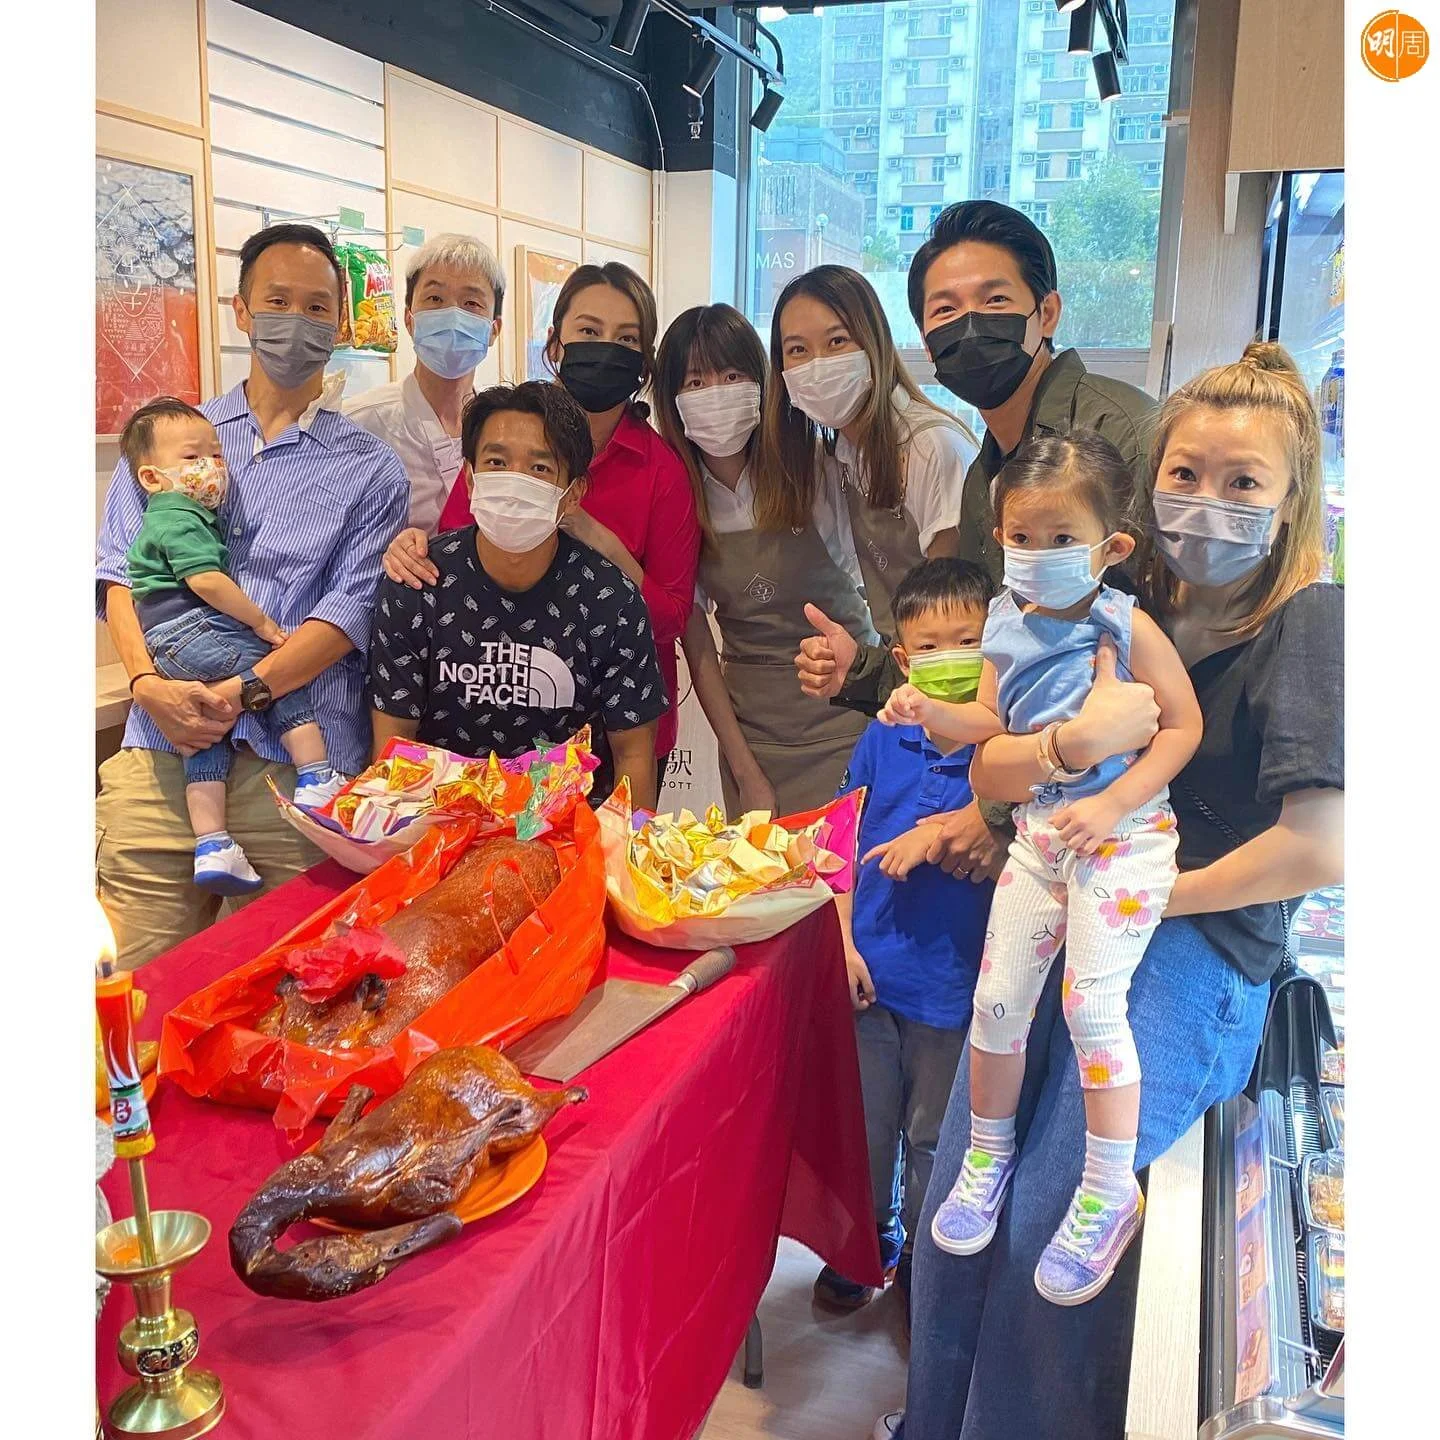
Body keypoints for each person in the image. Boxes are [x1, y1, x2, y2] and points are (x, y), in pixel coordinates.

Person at [874, 343, 1344, 1440]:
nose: (1208, 501)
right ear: (1147, 490)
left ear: (1289, 500)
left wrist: (1142, 896)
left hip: (1197, 937)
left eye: (1243, 482)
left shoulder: (1308, 626)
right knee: (967, 1177)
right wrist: (1064, 750)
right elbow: (993, 769)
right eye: (1186, 474)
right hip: (1072, 881)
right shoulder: (1108, 601)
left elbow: (1319, 849)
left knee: (1052, 1210)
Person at [879, 433, 1202, 1306]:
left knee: (1091, 1006)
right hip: (1038, 834)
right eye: (1022, 537)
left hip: (1124, 838)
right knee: (995, 1002)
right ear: (998, 536)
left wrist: (1113, 801)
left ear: (1112, 546)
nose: (1038, 553)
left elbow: (1182, 727)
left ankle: (1108, 1187)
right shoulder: (1001, 621)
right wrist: (926, 709)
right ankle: (986, 1153)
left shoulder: (1124, 624)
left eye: (1062, 538)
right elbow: (988, 726)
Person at [96, 223, 409, 970]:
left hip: (297, 778)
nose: (296, 321)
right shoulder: (168, 440)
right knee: (126, 992)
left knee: (286, 997)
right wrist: (146, 687)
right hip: (162, 750)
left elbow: (346, 615)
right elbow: (119, 581)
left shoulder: (370, 468)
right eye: (277, 300)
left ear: (340, 324)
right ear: (241, 310)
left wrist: (244, 691)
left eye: (317, 307)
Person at [797, 200, 1159, 725]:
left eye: (994, 300)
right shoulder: (983, 479)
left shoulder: (1118, 433)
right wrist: (859, 671)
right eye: (945, 311)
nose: (969, 326)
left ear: (1047, 313)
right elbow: (978, 653)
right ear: (927, 343)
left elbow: (1161, 639)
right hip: (1027, 757)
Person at [382, 262, 700, 796]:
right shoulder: (507, 434)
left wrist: (602, 544)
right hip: (481, 713)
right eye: (589, 331)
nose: (606, 349)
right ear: (555, 343)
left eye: (626, 338)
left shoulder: (661, 471)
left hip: (617, 727)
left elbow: (670, 617)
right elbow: (455, 561)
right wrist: (411, 548)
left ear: (643, 359)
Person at [817, 557, 996, 1316]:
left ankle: (926, 1266)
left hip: (953, 992)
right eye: (930, 646)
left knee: (933, 1139)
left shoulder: (1004, 754)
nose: (949, 657)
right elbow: (836, 841)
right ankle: (869, 1242)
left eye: (969, 642)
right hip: (870, 976)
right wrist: (843, 943)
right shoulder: (883, 738)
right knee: (865, 1127)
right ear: (901, 658)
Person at [368, 381, 667, 810]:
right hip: (440, 824)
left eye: (539, 468)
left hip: (570, 829)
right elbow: (394, 746)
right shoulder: (418, 585)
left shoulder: (611, 601)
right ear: (470, 478)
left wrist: (626, 845)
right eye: (497, 462)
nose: (514, 481)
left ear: (573, 495)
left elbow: (633, 754)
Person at [652, 303, 877, 816]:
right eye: (696, 382)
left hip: (848, 718)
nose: (716, 393)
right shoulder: (678, 494)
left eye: (733, 376)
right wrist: (743, 768)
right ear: (672, 399)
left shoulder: (813, 467)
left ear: (762, 381)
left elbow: (874, 577)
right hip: (753, 733)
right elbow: (698, 645)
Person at [120, 398, 342, 894]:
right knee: (276, 677)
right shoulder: (178, 516)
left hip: (168, 648)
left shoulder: (170, 515)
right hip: (192, 629)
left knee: (202, 738)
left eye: (217, 455)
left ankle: (213, 844)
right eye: (192, 457)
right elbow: (205, 581)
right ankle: (315, 777)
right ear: (151, 478)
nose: (211, 466)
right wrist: (262, 622)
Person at [763, 264, 977, 645]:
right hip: (902, 660)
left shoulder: (931, 447)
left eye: (837, 341)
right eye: (797, 350)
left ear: (872, 342)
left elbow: (955, 614)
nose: (818, 365)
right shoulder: (843, 454)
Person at [344, 233, 506, 535]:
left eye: (471, 303)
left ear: (494, 330)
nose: (453, 315)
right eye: (435, 299)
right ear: (409, 319)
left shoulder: (504, 429)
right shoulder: (360, 424)